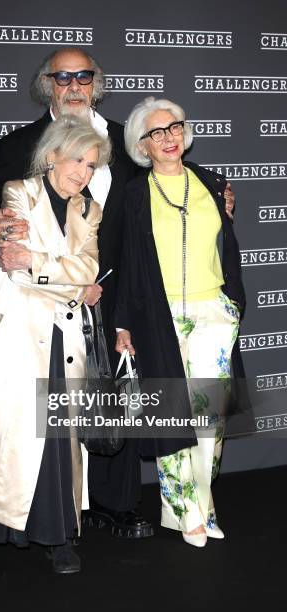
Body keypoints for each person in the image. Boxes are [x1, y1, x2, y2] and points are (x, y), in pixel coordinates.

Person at [0, 46, 235, 539]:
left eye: (84, 76)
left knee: (117, 392)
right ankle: (42, 507)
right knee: (48, 406)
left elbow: (170, 179)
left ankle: (114, 505)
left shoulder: (126, 139)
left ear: (97, 83)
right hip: (47, 297)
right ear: (46, 85)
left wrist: (218, 190)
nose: (74, 86)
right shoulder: (15, 145)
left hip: (121, 285)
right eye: (63, 78)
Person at [0, 115, 111, 576]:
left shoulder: (90, 210)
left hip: (65, 337)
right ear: (52, 155)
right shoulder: (16, 193)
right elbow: (15, 268)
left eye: (91, 166)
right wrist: (67, 277)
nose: (83, 173)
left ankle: (57, 536)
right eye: (77, 160)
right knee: (5, 436)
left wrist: (45, 264)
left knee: (57, 440)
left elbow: (87, 268)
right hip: (18, 333)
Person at [115, 96, 245, 548]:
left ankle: (203, 505)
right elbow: (123, 262)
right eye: (155, 132)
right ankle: (187, 512)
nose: (167, 137)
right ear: (141, 145)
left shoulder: (212, 183)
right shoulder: (131, 194)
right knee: (171, 416)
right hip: (157, 316)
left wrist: (231, 304)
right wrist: (122, 323)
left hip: (213, 312)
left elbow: (225, 246)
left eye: (173, 127)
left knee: (210, 419)